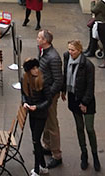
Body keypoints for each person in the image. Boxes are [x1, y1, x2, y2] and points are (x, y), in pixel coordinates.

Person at [61, 40, 100, 172]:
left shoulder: (88, 65)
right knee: (79, 127)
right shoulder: (67, 57)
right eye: (69, 49)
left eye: (73, 50)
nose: (70, 52)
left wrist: (84, 103)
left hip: (86, 99)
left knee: (89, 128)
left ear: (80, 50)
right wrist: (63, 90)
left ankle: (95, 155)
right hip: (73, 97)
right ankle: (84, 153)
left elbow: (90, 86)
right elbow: (65, 74)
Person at [37, 29, 63, 169]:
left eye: (39, 37)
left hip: (50, 96)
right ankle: (47, 145)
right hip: (45, 93)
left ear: (45, 41)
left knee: (52, 125)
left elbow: (58, 80)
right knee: (46, 121)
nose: (37, 39)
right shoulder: (43, 51)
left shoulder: (53, 57)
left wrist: (49, 96)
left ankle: (56, 155)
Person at [21, 58, 50, 176]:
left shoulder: (43, 80)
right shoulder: (25, 79)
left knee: (35, 140)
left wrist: (37, 107)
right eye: (33, 68)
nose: (36, 70)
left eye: (36, 67)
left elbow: (48, 100)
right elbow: (23, 93)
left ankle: (37, 169)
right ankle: (43, 166)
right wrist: (25, 103)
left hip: (40, 114)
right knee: (36, 140)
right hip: (32, 114)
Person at [90, 0, 105, 68]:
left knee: (104, 43)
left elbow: (93, 10)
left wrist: (93, 2)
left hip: (101, 24)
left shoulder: (101, 3)